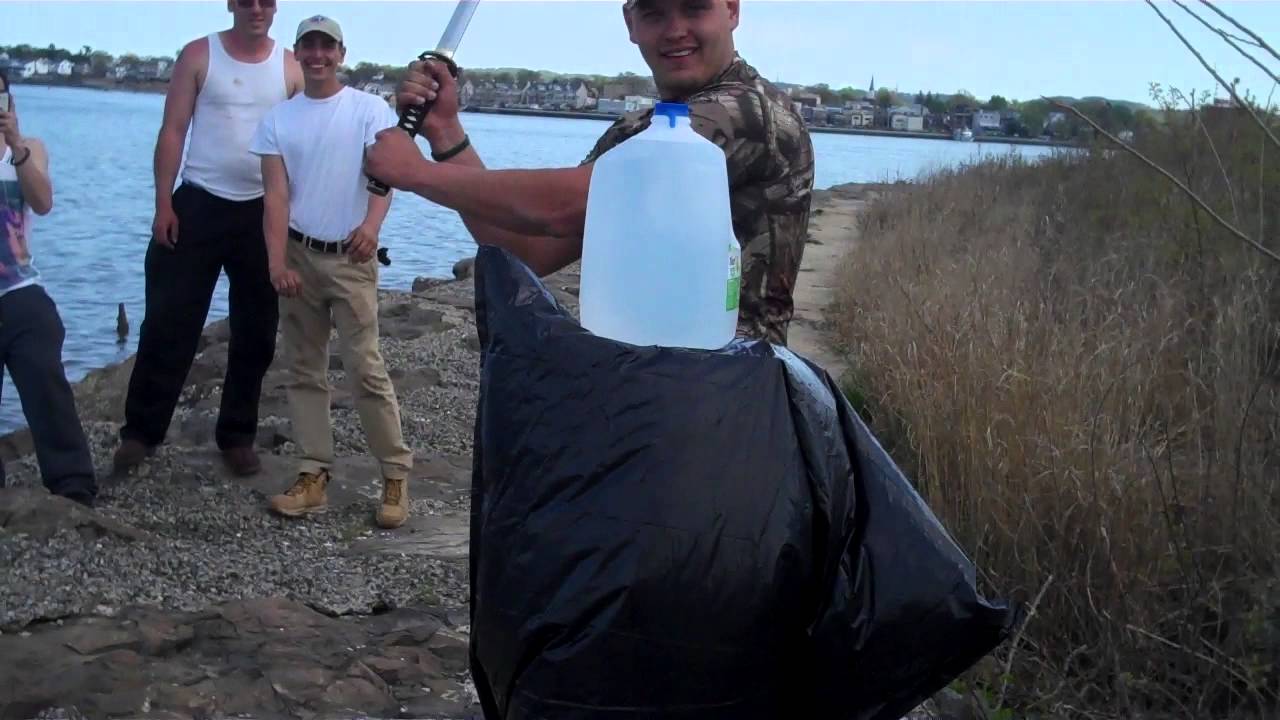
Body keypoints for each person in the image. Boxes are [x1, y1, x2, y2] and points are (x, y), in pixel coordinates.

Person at [365, 0, 815, 346]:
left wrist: (417, 173)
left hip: (733, 398)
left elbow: (570, 204)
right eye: (654, 12)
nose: (676, 30)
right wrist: (445, 134)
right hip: (639, 388)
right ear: (631, 23)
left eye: (695, 7)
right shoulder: (641, 131)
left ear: (732, 9)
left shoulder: (748, 115)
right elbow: (528, 250)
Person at [113, 0, 304, 477]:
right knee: (167, 322)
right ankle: (141, 432)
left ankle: (237, 434)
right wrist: (163, 203)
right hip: (197, 202)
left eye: (265, 1)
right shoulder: (199, 55)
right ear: (232, 5)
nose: (256, 9)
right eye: (246, 1)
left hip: (262, 210)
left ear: (275, 7)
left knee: (256, 330)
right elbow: (173, 130)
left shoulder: (290, 67)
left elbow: (306, 143)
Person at [249, 15, 413, 529]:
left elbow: (386, 176)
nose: (317, 55)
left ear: (341, 54)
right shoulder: (277, 120)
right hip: (298, 254)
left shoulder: (368, 109)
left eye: (327, 47)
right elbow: (275, 195)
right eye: (308, 47)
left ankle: (394, 475)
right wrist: (276, 261)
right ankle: (312, 473)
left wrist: (371, 225)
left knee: (365, 367)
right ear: (297, 53)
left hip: (351, 257)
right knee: (303, 368)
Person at [0, 71, 98, 506]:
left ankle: (72, 481)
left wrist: (16, 145)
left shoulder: (28, 149)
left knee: (46, 382)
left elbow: (42, 201)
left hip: (21, 293)